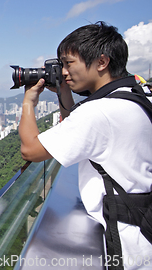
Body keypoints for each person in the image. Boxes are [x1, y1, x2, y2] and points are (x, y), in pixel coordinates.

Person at [19, 21, 152, 270]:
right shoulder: (138, 93)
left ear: (102, 62)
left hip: (126, 245)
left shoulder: (100, 112)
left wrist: (28, 101)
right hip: (145, 226)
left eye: (69, 63)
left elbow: (30, 150)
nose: (65, 72)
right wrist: (63, 91)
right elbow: (79, 132)